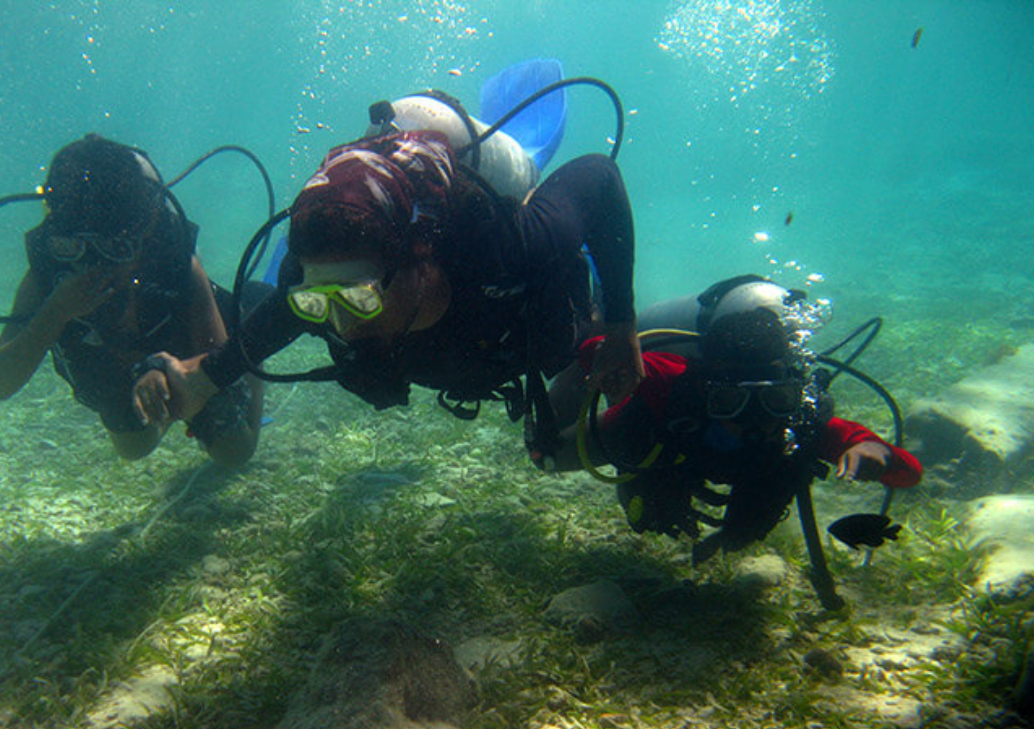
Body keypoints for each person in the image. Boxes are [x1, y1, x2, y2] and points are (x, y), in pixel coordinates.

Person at [132, 128, 642, 466]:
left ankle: (517, 162)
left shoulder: (505, 247)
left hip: (515, 272)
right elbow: (261, 333)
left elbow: (600, 174)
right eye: (319, 303)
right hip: (412, 244)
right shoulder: (316, 288)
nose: (343, 326)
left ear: (419, 264)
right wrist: (197, 379)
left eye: (359, 298)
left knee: (558, 342)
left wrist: (621, 325)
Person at [558, 305, 922, 565]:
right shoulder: (676, 383)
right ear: (706, 386)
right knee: (551, 458)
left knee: (777, 483)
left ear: (792, 392)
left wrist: (873, 449)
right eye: (732, 401)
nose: (754, 418)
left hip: (734, 467)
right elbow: (595, 351)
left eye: (774, 400)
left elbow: (908, 474)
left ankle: (732, 532)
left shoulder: (799, 418)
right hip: (652, 442)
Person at [0, 134, 263, 467]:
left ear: (144, 231)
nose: (92, 265)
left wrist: (170, 374)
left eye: (115, 250)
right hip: (123, 375)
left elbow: (219, 366)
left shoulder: (175, 262)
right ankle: (166, 404)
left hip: (187, 358)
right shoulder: (47, 278)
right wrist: (55, 312)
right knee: (133, 447)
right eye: (72, 248)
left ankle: (251, 326)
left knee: (235, 451)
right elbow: (1, 384)